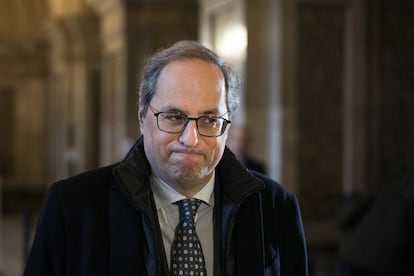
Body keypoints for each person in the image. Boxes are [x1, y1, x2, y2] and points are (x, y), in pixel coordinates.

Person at [23, 40, 308, 276]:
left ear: (227, 124)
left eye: (209, 119)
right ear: (142, 116)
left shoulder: (276, 207)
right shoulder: (72, 208)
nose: (190, 139)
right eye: (174, 117)